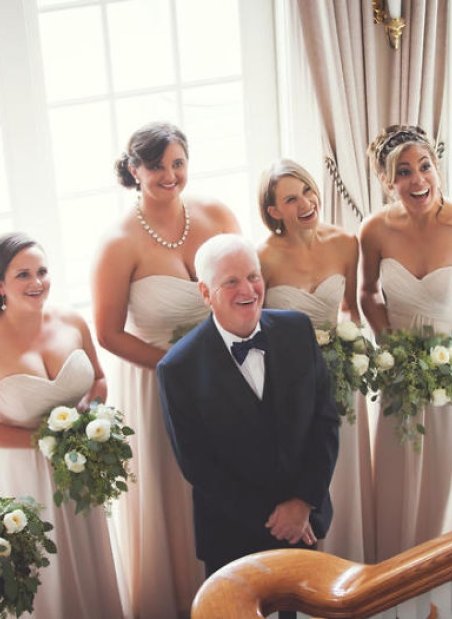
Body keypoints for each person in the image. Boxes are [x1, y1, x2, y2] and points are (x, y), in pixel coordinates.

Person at [91, 121, 241, 618]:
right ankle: (183, 601)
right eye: (156, 165)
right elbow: (108, 333)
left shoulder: (216, 214)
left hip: (225, 374)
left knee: (234, 477)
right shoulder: (118, 242)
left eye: (178, 163)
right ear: (134, 170)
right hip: (157, 383)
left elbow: (247, 286)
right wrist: (180, 366)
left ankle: (240, 587)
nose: (170, 175)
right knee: (175, 491)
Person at [156, 233, 339, 619]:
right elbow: (198, 467)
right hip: (232, 530)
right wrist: (277, 519)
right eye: (231, 281)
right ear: (206, 293)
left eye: (253, 276)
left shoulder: (297, 329)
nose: (248, 290)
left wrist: (304, 501)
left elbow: (325, 421)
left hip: (304, 519)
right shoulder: (178, 369)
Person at [0, 232, 124, 619]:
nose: (37, 283)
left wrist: (88, 417)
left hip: (76, 465)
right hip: (20, 471)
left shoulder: (71, 320)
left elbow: (98, 378)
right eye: (23, 275)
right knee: (42, 572)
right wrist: (46, 439)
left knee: (86, 555)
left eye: (42, 271)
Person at [360, 125, 452, 561]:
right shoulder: (374, 230)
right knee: (401, 460)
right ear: (387, 181)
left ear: (437, 168)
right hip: (400, 365)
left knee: (448, 461)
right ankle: (402, 566)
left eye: (424, 167)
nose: (417, 180)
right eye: (403, 172)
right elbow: (368, 293)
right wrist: (391, 347)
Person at [257, 159, 376, 564]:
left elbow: (350, 310)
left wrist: (353, 352)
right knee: (304, 468)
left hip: (341, 377)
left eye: (308, 190)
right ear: (274, 211)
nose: (307, 202)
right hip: (288, 386)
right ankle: (311, 563)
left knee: (343, 469)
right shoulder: (262, 258)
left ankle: (352, 558)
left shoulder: (346, 243)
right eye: (291, 199)